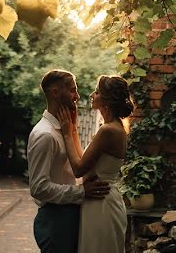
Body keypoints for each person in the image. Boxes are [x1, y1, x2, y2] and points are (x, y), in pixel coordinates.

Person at [28, 70, 111, 253]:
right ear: (55, 93)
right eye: (73, 90)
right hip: (55, 220)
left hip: (69, 216)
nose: (78, 96)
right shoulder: (44, 135)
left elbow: (75, 167)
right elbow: (38, 188)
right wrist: (81, 191)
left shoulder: (63, 129)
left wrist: (72, 130)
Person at [56, 75, 134, 253]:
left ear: (106, 99)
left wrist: (67, 133)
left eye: (97, 92)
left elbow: (78, 169)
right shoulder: (114, 127)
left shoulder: (108, 130)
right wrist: (74, 127)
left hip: (102, 203)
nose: (92, 94)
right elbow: (84, 160)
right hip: (102, 200)